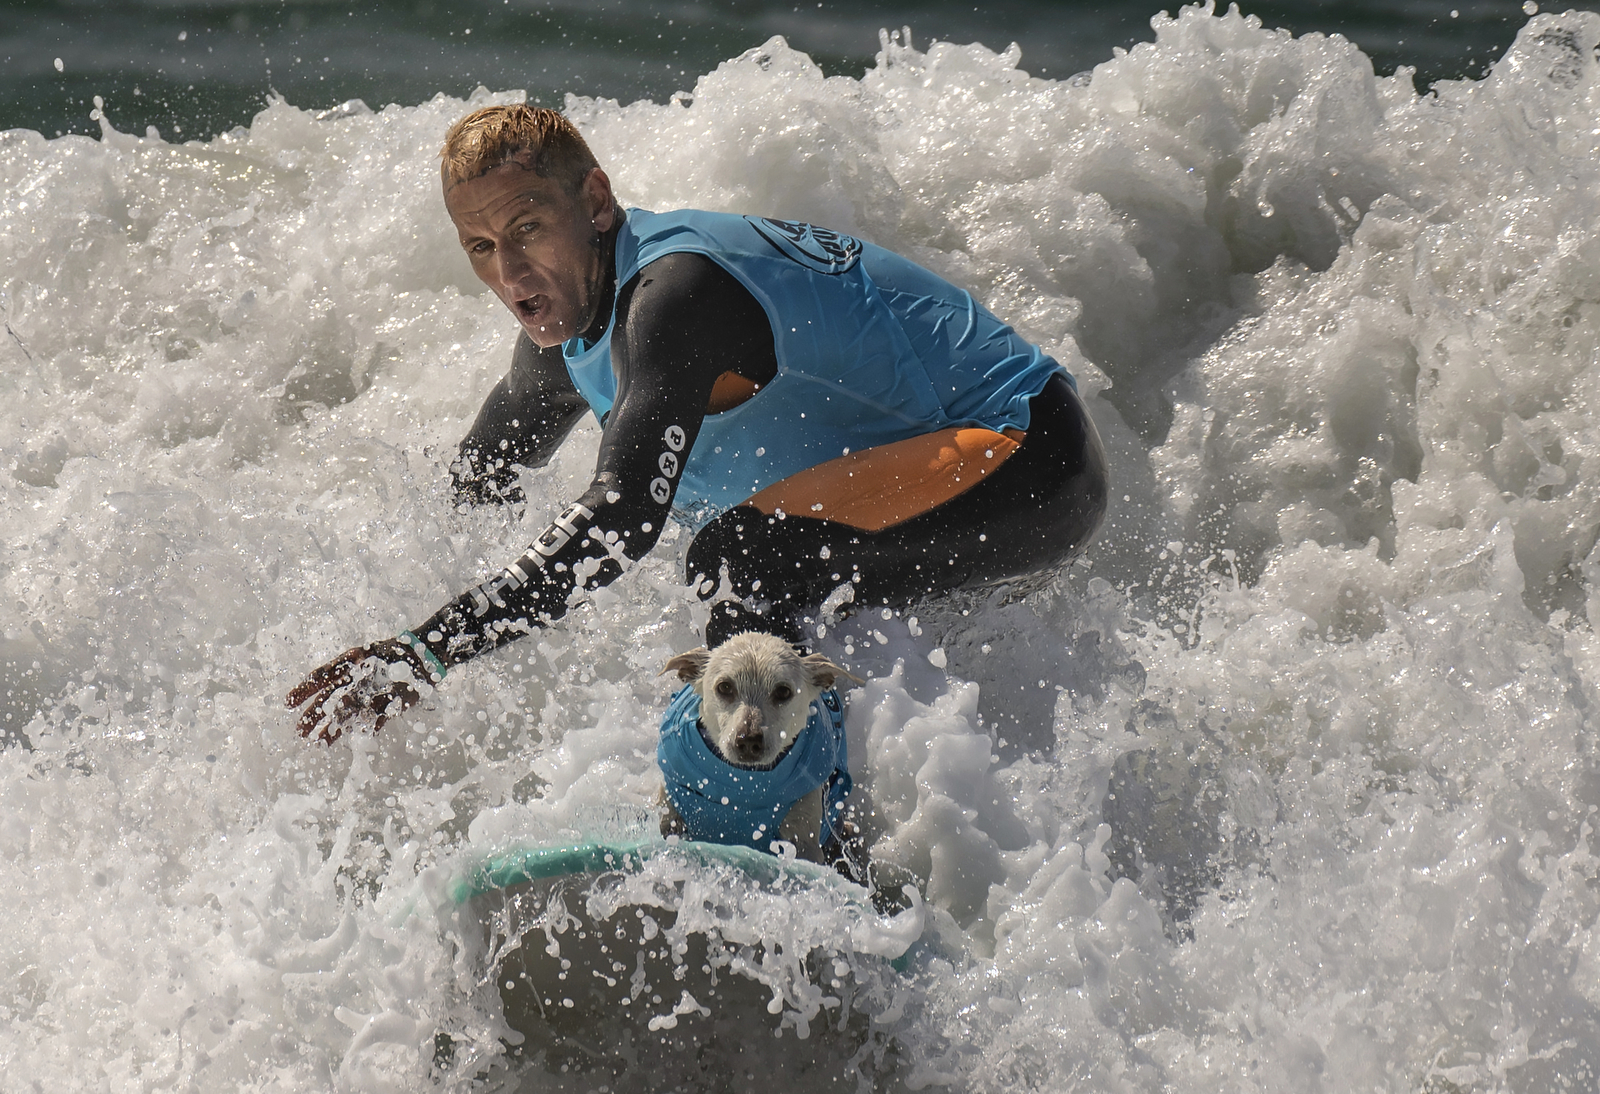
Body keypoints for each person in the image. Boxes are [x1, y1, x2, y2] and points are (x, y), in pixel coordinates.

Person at [286, 104, 1108, 745]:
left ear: (596, 201)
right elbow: (476, 485)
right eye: (479, 246)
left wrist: (427, 652)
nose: (508, 271)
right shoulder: (560, 342)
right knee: (747, 560)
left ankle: (802, 842)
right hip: (901, 481)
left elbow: (623, 519)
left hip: (1026, 453)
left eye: (528, 228)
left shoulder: (675, 295)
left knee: (738, 559)